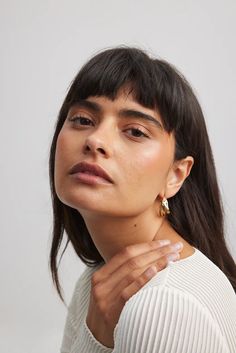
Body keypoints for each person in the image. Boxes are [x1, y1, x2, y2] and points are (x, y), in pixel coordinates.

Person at [48, 46, 236, 353]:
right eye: (83, 120)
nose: (96, 140)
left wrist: (94, 340)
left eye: (135, 131)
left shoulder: (164, 305)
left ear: (176, 174)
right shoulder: (99, 285)